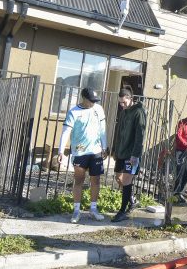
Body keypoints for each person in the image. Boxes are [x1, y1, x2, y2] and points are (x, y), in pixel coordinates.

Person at [57, 87, 108, 223]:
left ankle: (93, 209)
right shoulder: (73, 112)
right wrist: (61, 151)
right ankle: (76, 210)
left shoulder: (98, 109)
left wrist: (105, 146)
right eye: (91, 100)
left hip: (96, 151)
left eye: (95, 100)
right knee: (79, 180)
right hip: (80, 152)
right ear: (84, 99)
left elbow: (103, 130)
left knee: (96, 180)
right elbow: (66, 131)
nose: (93, 103)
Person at [111, 87, 147, 222]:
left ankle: (122, 212)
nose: (122, 105)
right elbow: (119, 131)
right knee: (119, 178)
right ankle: (132, 201)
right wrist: (115, 149)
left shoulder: (138, 112)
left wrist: (135, 155)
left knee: (126, 180)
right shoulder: (123, 113)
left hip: (132, 154)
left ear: (130, 99)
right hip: (121, 151)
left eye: (124, 102)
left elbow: (140, 135)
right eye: (120, 103)